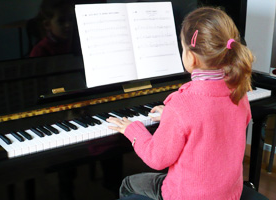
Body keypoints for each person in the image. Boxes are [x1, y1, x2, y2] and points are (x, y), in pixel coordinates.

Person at [107, 7, 253, 200]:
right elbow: (211, 120)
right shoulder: (239, 91)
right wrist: (170, 116)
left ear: (190, 57)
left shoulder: (182, 104)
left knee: (128, 184)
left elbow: (157, 158)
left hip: (186, 196)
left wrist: (132, 130)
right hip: (229, 194)